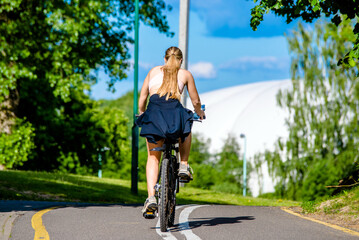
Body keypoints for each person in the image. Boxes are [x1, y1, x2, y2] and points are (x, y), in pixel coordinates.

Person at [135, 46, 205, 216]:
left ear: (164, 59)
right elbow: (195, 101)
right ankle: (183, 165)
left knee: (153, 157)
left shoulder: (153, 71)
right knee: (187, 122)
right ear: (180, 60)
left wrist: (142, 114)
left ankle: (151, 197)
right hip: (174, 114)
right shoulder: (185, 74)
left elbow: (143, 98)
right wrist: (200, 113)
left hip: (155, 114)